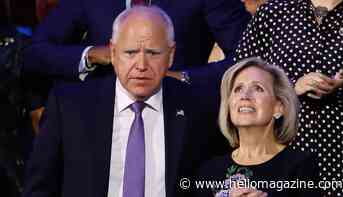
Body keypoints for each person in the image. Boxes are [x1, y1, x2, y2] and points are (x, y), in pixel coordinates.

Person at [22, 6, 229, 197]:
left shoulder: (199, 108)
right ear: (113, 52)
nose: (141, 65)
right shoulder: (68, 106)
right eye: (130, 53)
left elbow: (211, 181)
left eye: (153, 53)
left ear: (171, 55)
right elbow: (39, 188)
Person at [234, 0, 343, 195]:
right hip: (280, 155)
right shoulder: (274, 12)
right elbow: (240, 78)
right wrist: (290, 87)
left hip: (341, 156)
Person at [23, 0, 250, 82]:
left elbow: (251, 57)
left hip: (179, 115)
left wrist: (185, 78)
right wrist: (91, 55)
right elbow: (35, 53)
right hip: (98, 119)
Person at [194, 57, 320, 197]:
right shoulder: (209, 170)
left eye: (258, 88)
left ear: (279, 107)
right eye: (238, 89)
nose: (245, 96)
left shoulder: (300, 165)